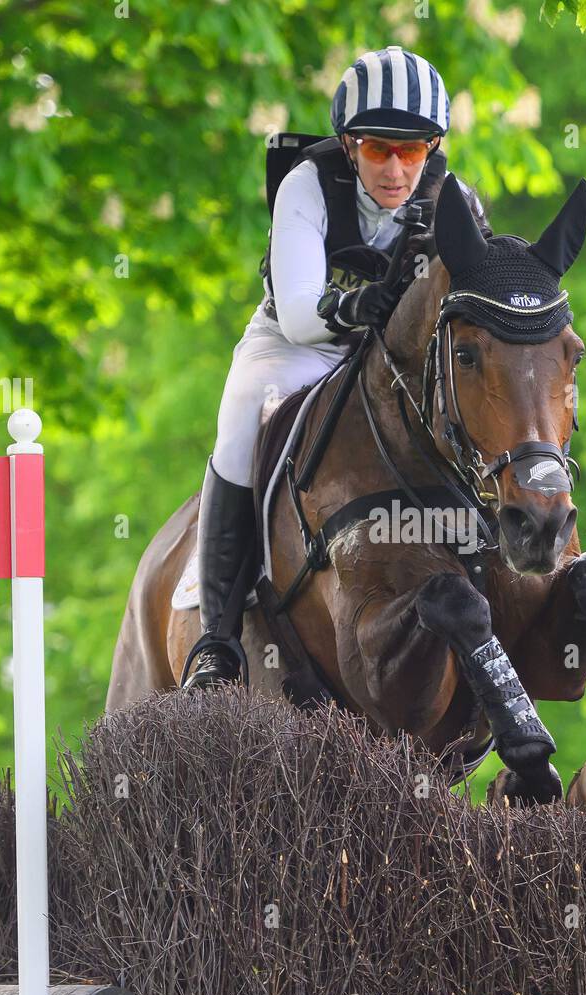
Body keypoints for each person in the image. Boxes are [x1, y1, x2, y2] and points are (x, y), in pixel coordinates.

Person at [182, 45, 492, 688]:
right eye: (380, 149)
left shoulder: (452, 199)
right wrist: (358, 306)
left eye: (415, 150)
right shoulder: (307, 183)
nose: (397, 168)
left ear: (433, 149)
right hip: (295, 346)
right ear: (349, 146)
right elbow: (298, 314)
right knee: (243, 418)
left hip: (396, 358)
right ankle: (215, 641)